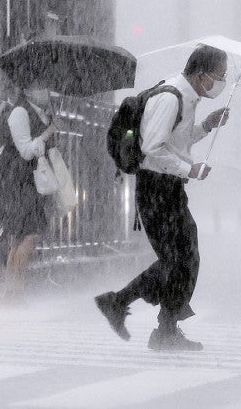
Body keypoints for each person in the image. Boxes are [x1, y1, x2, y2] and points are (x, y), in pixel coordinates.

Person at [95, 44, 230, 351]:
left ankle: (158, 324)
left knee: (184, 258)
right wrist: (189, 168)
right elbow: (152, 149)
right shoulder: (171, 97)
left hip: (168, 188)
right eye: (219, 75)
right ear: (201, 74)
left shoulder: (185, 97)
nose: (221, 82)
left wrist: (207, 126)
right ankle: (129, 309)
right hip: (156, 188)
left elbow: (174, 141)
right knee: (178, 260)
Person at [0, 80, 58, 300]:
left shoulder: (42, 113)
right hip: (16, 181)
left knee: (20, 237)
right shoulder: (20, 113)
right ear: (29, 90)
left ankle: (11, 290)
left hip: (28, 181)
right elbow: (25, 150)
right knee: (30, 235)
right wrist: (47, 134)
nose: (46, 92)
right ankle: (15, 288)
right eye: (42, 87)